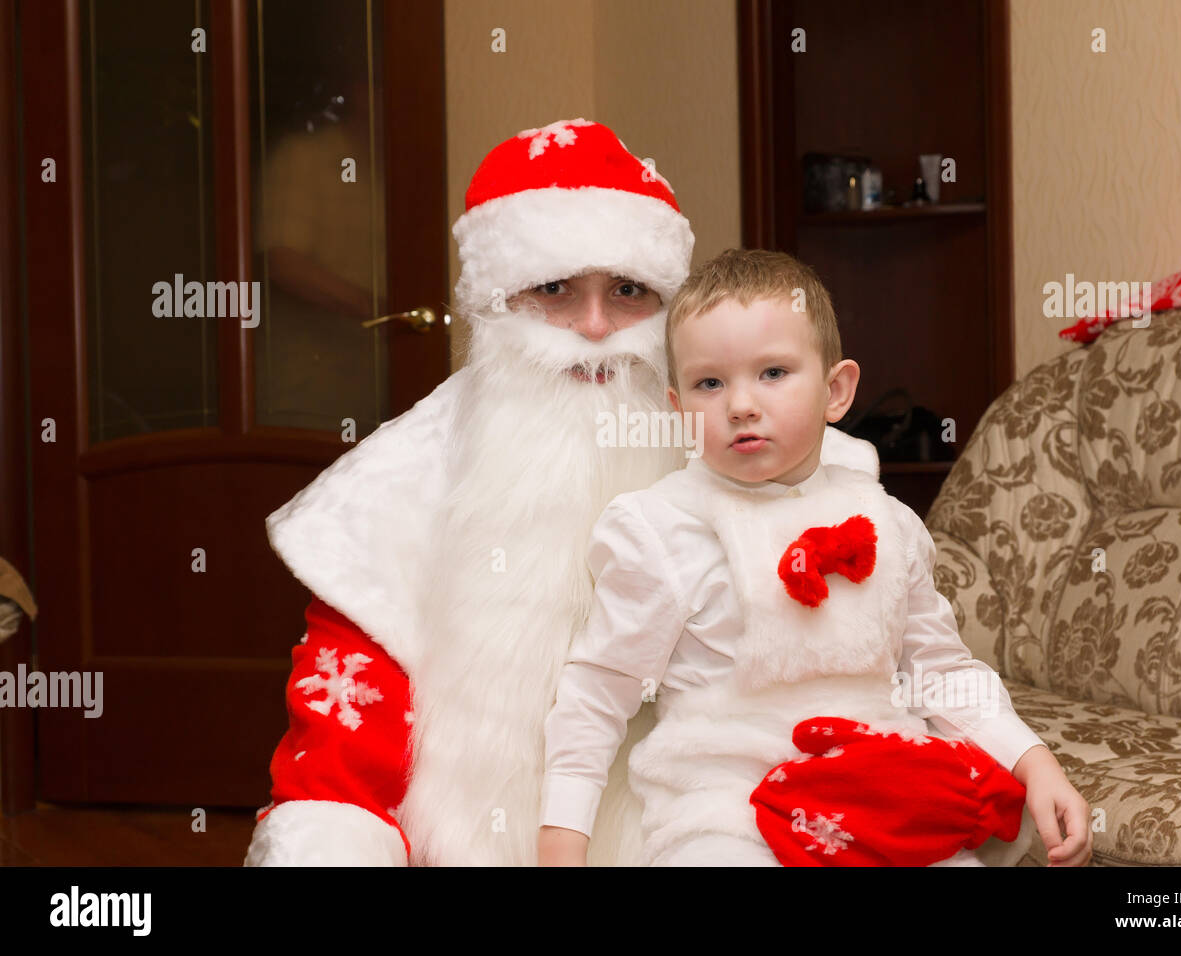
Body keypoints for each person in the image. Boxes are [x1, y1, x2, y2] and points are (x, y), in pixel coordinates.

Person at [244, 120, 881, 866]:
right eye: (553, 290)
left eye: (628, 291)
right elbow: (343, 731)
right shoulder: (392, 487)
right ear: (497, 304)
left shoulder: (775, 461)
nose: (594, 328)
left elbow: (850, 670)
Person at [538, 248, 1093, 866]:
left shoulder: (888, 523)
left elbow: (941, 671)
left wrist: (1034, 761)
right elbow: (599, 691)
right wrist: (563, 836)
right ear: (679, 410)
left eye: (773, 373)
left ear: (836, 390)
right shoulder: (661, 531)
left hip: (878, 798)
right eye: (710, 383)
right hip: (727, 812)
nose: (741, 404)